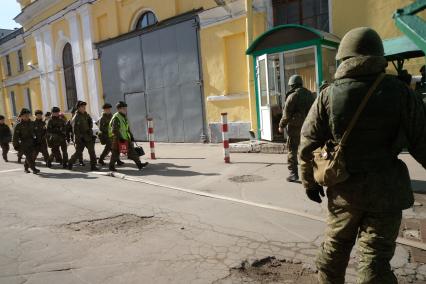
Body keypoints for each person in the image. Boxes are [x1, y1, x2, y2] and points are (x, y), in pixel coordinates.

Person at [299, 27, 426, 284]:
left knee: (333, 257)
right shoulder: (403, 94)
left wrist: (309, 182)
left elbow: (307, 143)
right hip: (387, 195)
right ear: (379, 56)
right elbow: (423, 142)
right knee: (375, 265)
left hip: (344, 192)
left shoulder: (328, 95)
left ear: (344, 58)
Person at [278, 75, 315, 182]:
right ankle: (311, 174)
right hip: (309, 126)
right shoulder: (309, 94)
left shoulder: (292, 96)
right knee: (308, 150)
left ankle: (293, 174)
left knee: (292, 151)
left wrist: (281, 126)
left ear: (292, 85)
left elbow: (286, 115)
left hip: (295, 128)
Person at [108, 101, 148, 172]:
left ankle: (139, 165)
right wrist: (120, 138)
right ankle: (111, 166)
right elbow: (114, 130)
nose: (126, 110)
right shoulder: (116, 117)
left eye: (126, 108)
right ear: (119, 109)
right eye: (124, 108)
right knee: (115, 153)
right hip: (117, 139)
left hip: (125, 138)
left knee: (132, 151)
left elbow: (126, 128)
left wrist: (131, 136)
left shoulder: (123, 116)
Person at [68, 101, 98, 171]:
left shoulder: (86, 114)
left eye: (84, 106)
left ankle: (93, 166)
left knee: (92, 151)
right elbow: (75, 130)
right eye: (82, 107)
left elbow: (90, 122)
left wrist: (89, 129)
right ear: (78, 108)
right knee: (78, 152)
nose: (84, 108)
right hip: (80, 138)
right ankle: (70, 162)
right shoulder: (76, 117)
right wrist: (80, 137)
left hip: (87, 136)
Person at [12, 108, 40, 174]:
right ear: (21, 116)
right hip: (24, 143)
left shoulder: (32, 123)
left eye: (28, 115)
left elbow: (36, 133)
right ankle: (34, 169)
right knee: (29, 156)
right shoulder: (18, 125)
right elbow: (15, 137)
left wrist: (37, 141)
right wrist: (16, 145)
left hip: (32, 142)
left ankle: (25, 167)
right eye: (25, 115)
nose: (27, 116)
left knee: (32, 156)